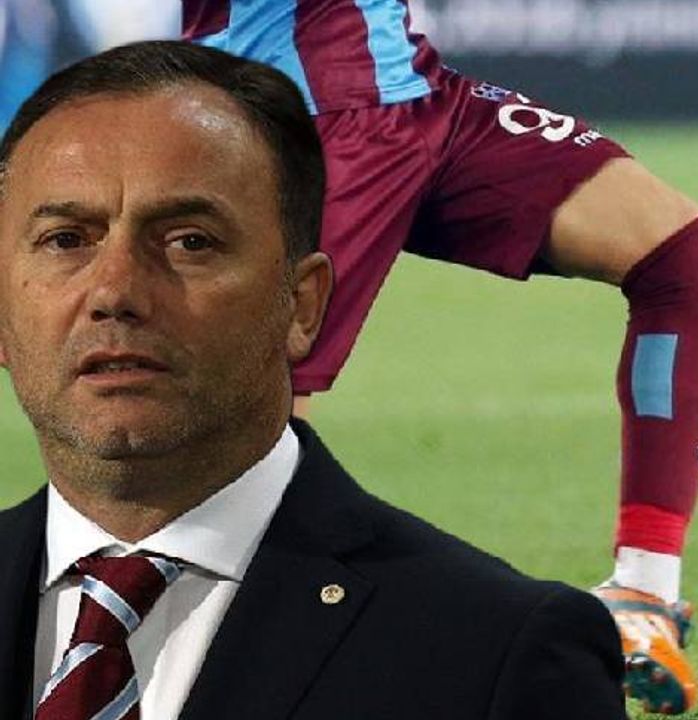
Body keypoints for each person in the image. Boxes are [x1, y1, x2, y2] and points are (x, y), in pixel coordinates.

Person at [0, 41, 627, 720]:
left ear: (302, 306)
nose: (115, 292)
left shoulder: (501, 653)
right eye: (66, 239)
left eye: (190, 241)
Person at [175, 3, 698, 711]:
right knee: (253, 427)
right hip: (309, 115)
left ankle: (642, 595)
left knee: (683, 256)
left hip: (417, 94)